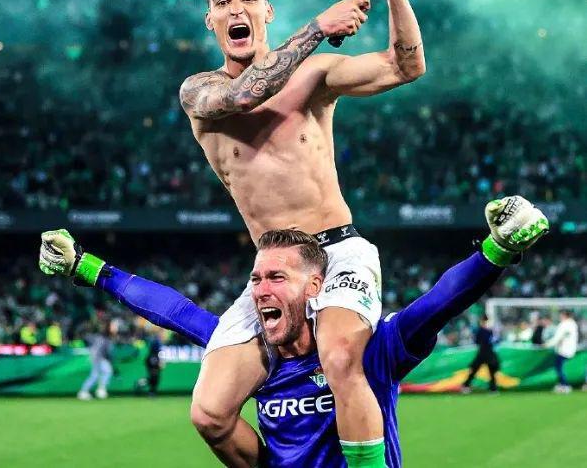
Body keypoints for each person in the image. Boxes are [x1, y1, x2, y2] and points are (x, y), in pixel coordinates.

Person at [39, 195, 549, 466]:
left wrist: (497, 251)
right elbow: (174, 310)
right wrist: (87, 266)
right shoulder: (254, 358)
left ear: (315, 288)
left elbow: (436, 304)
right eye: (256, 279)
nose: (261, 290)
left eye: (277, 278)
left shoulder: (367, 350)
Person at [177, 0, 423, 466]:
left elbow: (405, 66)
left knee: (340, 357)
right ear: (210, 20)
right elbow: (247, 93)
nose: (236, 9)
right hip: (273, 269)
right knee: (210, 413)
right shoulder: (199, 92)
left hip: (337, 253)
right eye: (222, 2)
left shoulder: (316, 75)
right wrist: (318, 27)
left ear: (267, 12)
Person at [460, 314, 499, 394]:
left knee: (491, 371)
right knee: (475, 370)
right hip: (483, 352)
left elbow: (492, 341)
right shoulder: (480, 331)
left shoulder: (489, 331)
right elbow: (477, 341)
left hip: (488, 352)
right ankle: (466, 385)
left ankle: (493, 388)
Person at [77, 321, 114, 400]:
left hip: (97, 357)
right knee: (97, 374)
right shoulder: (103, 338)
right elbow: (107, 351)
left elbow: (86, 338)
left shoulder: (96, 336)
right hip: (99, 358)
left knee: (104, 372)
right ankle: (85, 391)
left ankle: (99, 389)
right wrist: (110, 360)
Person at [545, 309, 578, 393]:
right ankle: (561, 384)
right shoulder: (573, 324)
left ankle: (565, 385)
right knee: (559, 367)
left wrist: (547, 344)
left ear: (564, 315)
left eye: (561, 315)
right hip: (570, 349)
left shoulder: (564, 324)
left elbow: (557, 338)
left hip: (563, 350)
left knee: (559, 368)